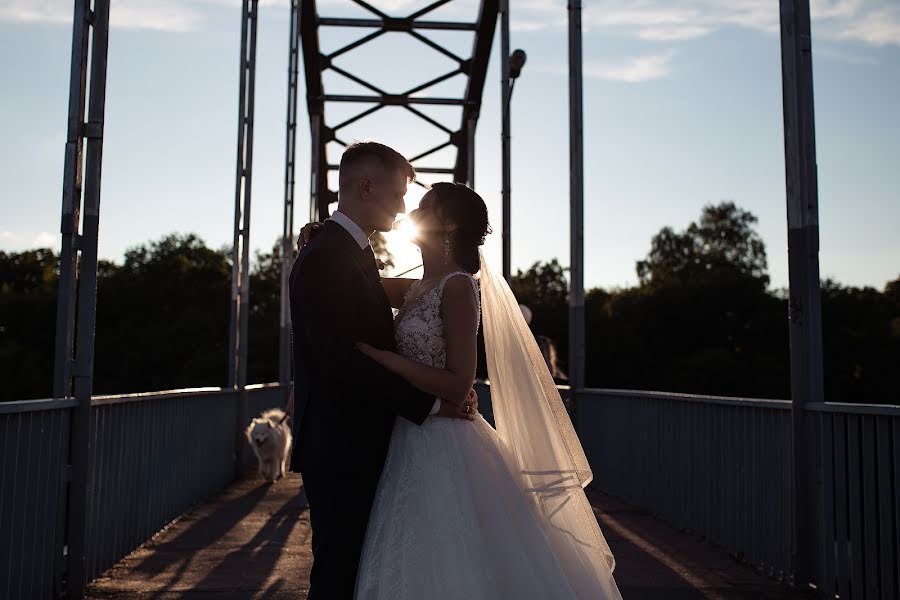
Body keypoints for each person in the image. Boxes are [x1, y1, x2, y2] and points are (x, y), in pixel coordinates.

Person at [298, 179, 622, 599]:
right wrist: (325, 234)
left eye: (423, 207)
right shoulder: (416, 287)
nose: (410, 212)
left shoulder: (458, 286)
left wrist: (387, 360)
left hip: (445, 440)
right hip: (407, 436)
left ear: (447, 223)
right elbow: (353, 279)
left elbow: (459, 383)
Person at [288, 142, 478, 600]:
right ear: (367, 186)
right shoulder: (330, 253)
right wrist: (433, 405)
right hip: (344, 447)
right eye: (399, 195)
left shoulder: (347, 251)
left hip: (374, 444)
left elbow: (431, 292)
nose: (404, 207)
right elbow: (341, 361)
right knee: (340, 574)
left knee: (368, 571)